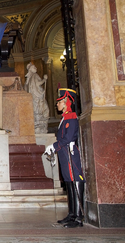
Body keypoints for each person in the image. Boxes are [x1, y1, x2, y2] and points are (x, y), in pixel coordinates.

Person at [45, 88, 85, 228]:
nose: (57, 105)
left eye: (59, 102)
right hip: (64, 154)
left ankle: (79, 218)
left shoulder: (71, 118)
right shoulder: (65, 119)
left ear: (66, 102)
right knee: (68, 183)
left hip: (70, 154)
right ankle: (72, 214)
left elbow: (68, 138)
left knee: (75, 182)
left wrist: (54, 146)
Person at [24, 63, 49, 133]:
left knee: (37, 110)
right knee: (43, 110)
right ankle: (40, 126)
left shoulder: (28, 79)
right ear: (30, 69)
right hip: (37, 97)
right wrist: (44, 79)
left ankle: (37, 126)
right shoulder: (35, 75)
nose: (36, 68)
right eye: (34, 67)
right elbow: (38, 83)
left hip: (33, 98)